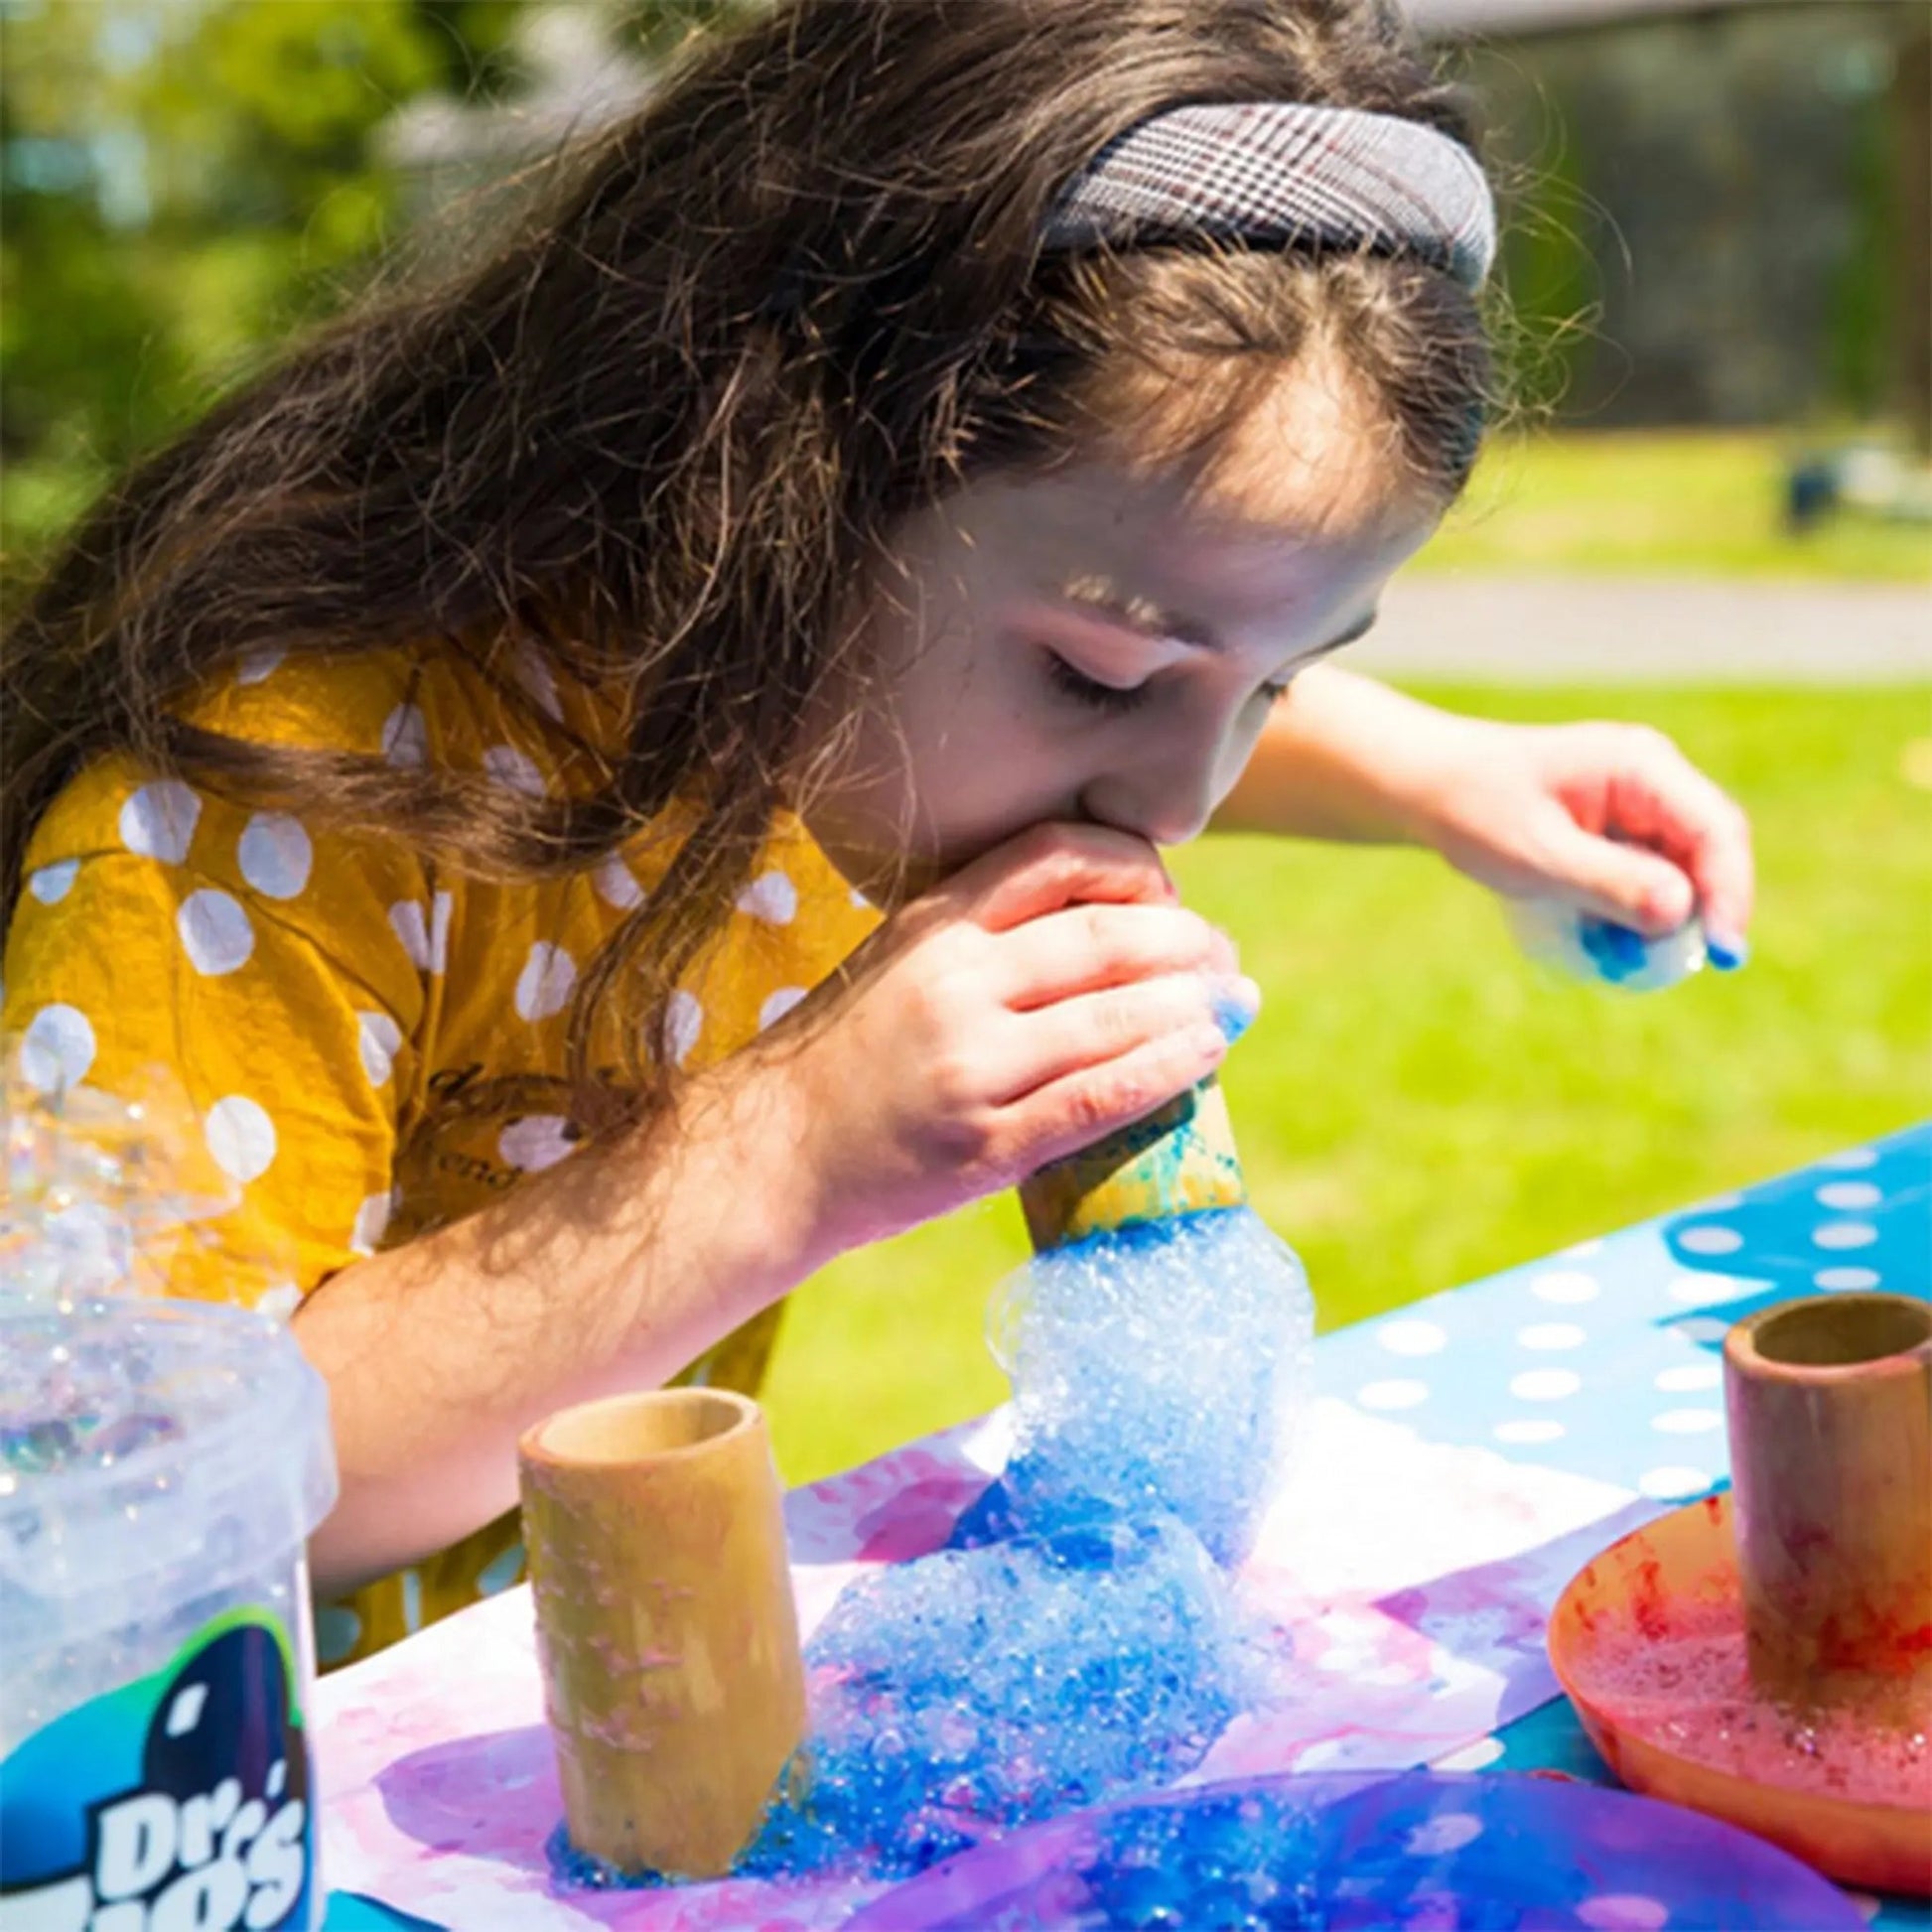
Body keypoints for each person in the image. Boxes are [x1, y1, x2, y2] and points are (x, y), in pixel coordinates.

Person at [0, 0, 1752, 1669]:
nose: (1176, 799)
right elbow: (154, 1513)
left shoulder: (811, 684)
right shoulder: (261, 796)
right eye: (1099, 672)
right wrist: (787, 1155)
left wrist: (1446, 780)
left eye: (1276, 681)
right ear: (770, 479)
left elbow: (1130, 665)